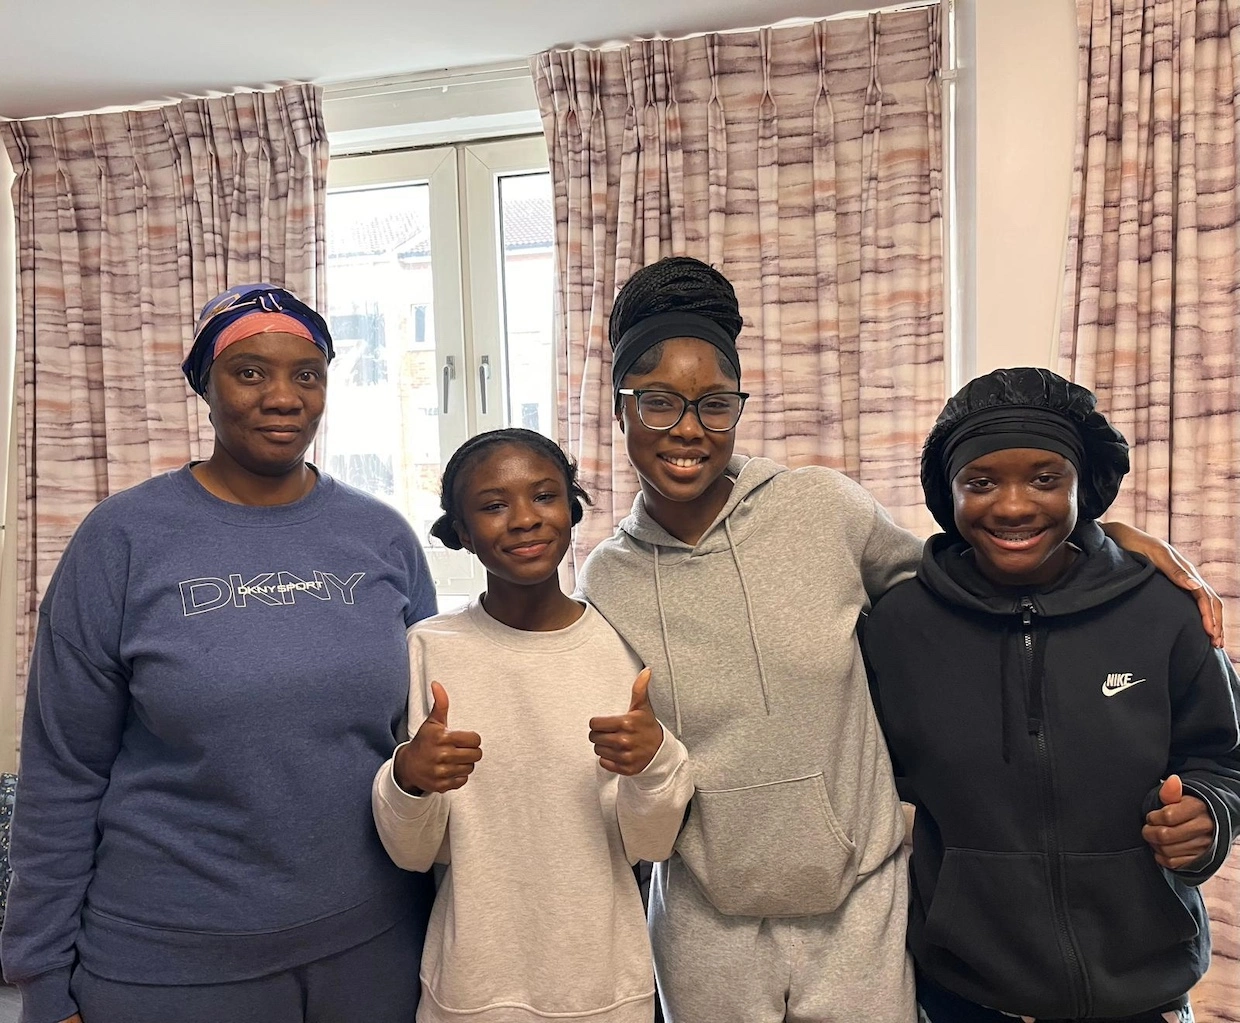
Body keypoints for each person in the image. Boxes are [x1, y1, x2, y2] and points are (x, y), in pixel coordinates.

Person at [574, 256, 1226, 1023]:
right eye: (656, 403)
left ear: (739, 408)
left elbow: (966, 573)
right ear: (619, 411)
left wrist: (1102, 538)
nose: (687, 428)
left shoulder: (823, 510)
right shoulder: (605, 582)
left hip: (860, 907)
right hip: (708, 915)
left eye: (714, 403)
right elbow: (629, 777)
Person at [1, 284, 437, 1023]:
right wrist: (41, 977)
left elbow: (422, 750)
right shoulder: (123, 539)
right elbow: (62, 771)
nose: (283, 396)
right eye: (250, 371)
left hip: (375, 948)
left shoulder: (382, 538)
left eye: (307, 373)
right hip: (171, 965)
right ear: (205, 383)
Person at [863, 367, 1240, 1023]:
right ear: (946, 491)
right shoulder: (900, 627)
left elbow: (1225, 756)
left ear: (1083, 484)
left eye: (1045, 478)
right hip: (967, 995)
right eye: (980, 482)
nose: (1012, 505)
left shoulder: (1162, 609)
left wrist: (1211, 813)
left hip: (1143, 992)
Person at [372, 428, 693, 1023]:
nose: (523, 519)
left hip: (605, 988)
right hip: (469, 988)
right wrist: (408, 781)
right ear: (462, 533)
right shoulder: (428, 650)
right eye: (494, 506)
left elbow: (651, 844)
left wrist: (654, 767)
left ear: (571, 510)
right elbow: (413, 853)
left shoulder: (623, 646)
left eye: (544, 497)